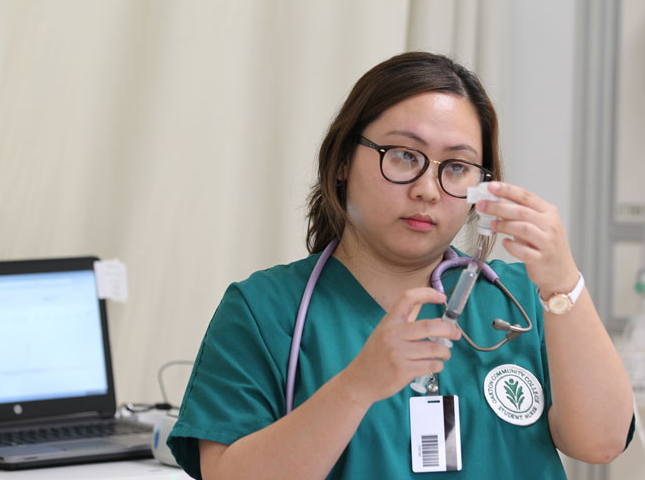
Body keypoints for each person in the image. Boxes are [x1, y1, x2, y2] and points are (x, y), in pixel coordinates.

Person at [167, 52, 634, 479]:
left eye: (456, 166)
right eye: (404, 156)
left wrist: (563, 283)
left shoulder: (526, 301)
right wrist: (356, 386)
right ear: (343, 162)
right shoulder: (263, 310)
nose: (428, 189)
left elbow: (601, 442)